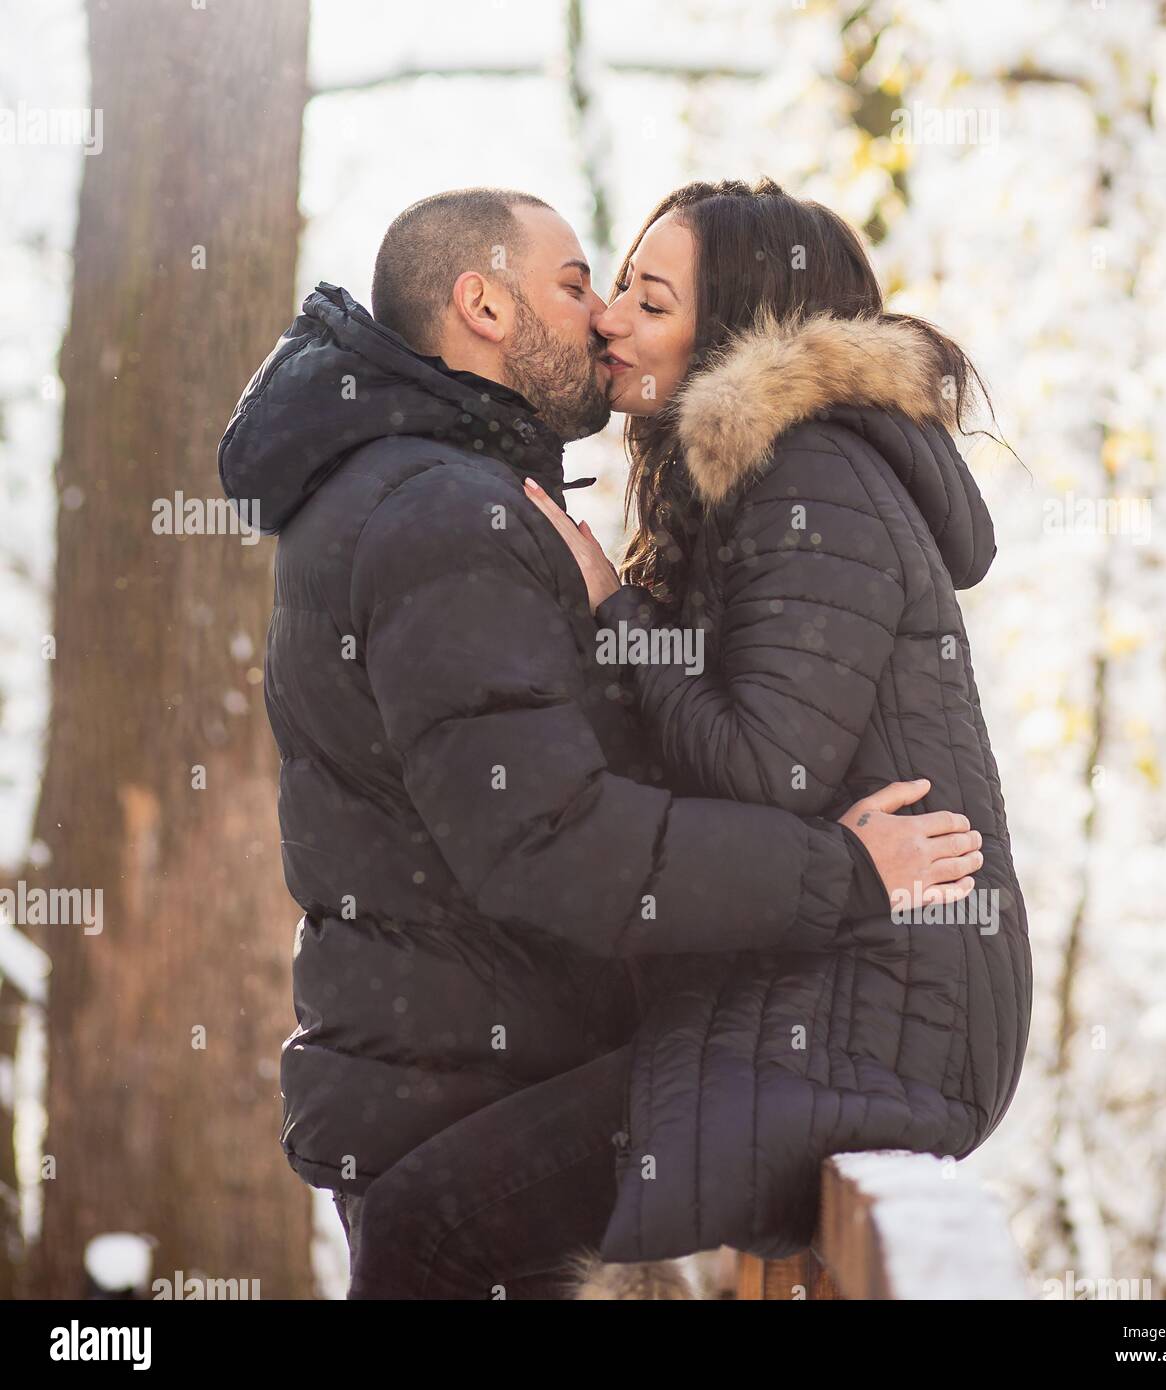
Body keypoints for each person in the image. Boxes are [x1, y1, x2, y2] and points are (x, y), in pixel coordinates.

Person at [216, 188, 981, 1299]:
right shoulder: (443, 514)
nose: (602, 317)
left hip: (460, 1071)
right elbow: (550, 836)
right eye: (578, 284)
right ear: (482, 304)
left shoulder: (424, 488)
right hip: (464, 1088)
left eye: (629, 292)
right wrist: (843, 874)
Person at [527, 177, 1033, 1286]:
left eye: (649, 302)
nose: (609, 317)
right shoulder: (752, 476)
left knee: (464, 1199)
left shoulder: (811, 470)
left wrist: (612, 610)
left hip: (884, 1014)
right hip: (842, 979)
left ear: (737, 334)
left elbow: (771, 764)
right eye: (617, 285)